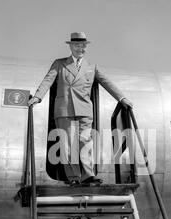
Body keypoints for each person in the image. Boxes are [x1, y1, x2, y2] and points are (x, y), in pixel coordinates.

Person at [29, 32, 133, 185]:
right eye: (77, 45)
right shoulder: (59, 63)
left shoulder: (92, 67)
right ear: (71, 46)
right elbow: (48, 80)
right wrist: (37, 97)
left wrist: (122, 98)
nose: (81, 48)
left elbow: (107, 83)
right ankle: (73, 178)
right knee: (68, 145)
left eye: (83, 46)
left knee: (86, 143)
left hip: (84, 110)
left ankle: (88, 175)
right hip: (65, 110)